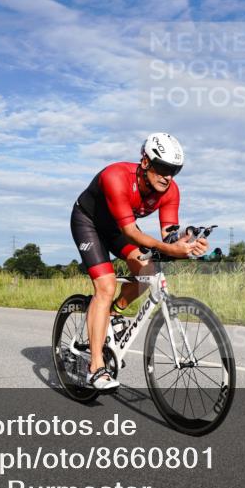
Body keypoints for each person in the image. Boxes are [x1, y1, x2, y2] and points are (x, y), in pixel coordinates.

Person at [70, 133, 209, 390]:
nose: (168, 176)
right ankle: (95, 367)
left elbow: (170, 233)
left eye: (174, 170)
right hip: (88, 222)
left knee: (149, 273)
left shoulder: (169, 190)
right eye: (163, 168)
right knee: (106, 286)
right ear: (145, 162)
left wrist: (187, 240)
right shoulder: (115, 177)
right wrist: (170, 248)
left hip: (116, 229)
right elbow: (133, 233)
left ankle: (114, 311)